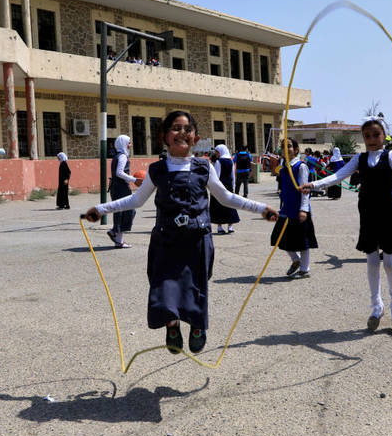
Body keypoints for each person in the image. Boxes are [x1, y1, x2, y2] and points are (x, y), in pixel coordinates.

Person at [85, 111, 278, 354]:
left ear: (196, 138)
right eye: (176, 128)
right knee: (165, 287)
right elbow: (135, 200)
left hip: (197, 241)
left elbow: (227, 198)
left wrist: (261, 209)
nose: (182, 133)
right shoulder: (156, 170)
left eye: (187, 129)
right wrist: (101, 209)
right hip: (166, 240)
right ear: (164, 136)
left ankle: (198, 326)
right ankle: (172, 325)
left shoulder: (204, 167)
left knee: (196, 287)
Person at [299, 116, 392, 332]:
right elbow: (338, 176)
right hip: (368, 215)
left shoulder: (391, 155)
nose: (372, 139)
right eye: (367, 136)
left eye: (376, 135)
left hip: (389, 215)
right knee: (372, 262)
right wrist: (314, 184)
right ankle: (376, 307)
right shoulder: (359, 158)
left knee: (390, 263)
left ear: (384, 135)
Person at [272, 137, 318, 279]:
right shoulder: (285, 167)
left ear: (296, 150)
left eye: (289, 146)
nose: (286, 149)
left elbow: (305, 190)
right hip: (286, 209)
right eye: (283, 146)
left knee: (302, 241)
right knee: (279, 237)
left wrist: (304, 209)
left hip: (299, 209)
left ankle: (304, 269)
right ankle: (296, 260)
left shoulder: (301, 166)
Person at [107, 134, 140, 248]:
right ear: (124, 144)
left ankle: (117, 237)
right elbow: (119, 173)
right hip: (121, 188)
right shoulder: (122, 157)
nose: (130, 144)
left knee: (121, 212)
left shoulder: (117, 155)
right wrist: (134, 179)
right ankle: (116, 234)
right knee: (128, 211)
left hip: (116, 187)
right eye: (129, 142)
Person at [209, 144, 239, 234]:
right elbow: (233, 176)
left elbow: (216, 176)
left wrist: (213, 188)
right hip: (229, 186)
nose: (217, 154)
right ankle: (230, 226)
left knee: (218, 206)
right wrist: (233, 187)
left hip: (220, 187)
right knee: (229, 205)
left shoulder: (219, 162)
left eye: (217, 152)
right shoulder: (230, 161)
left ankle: (220, 227)